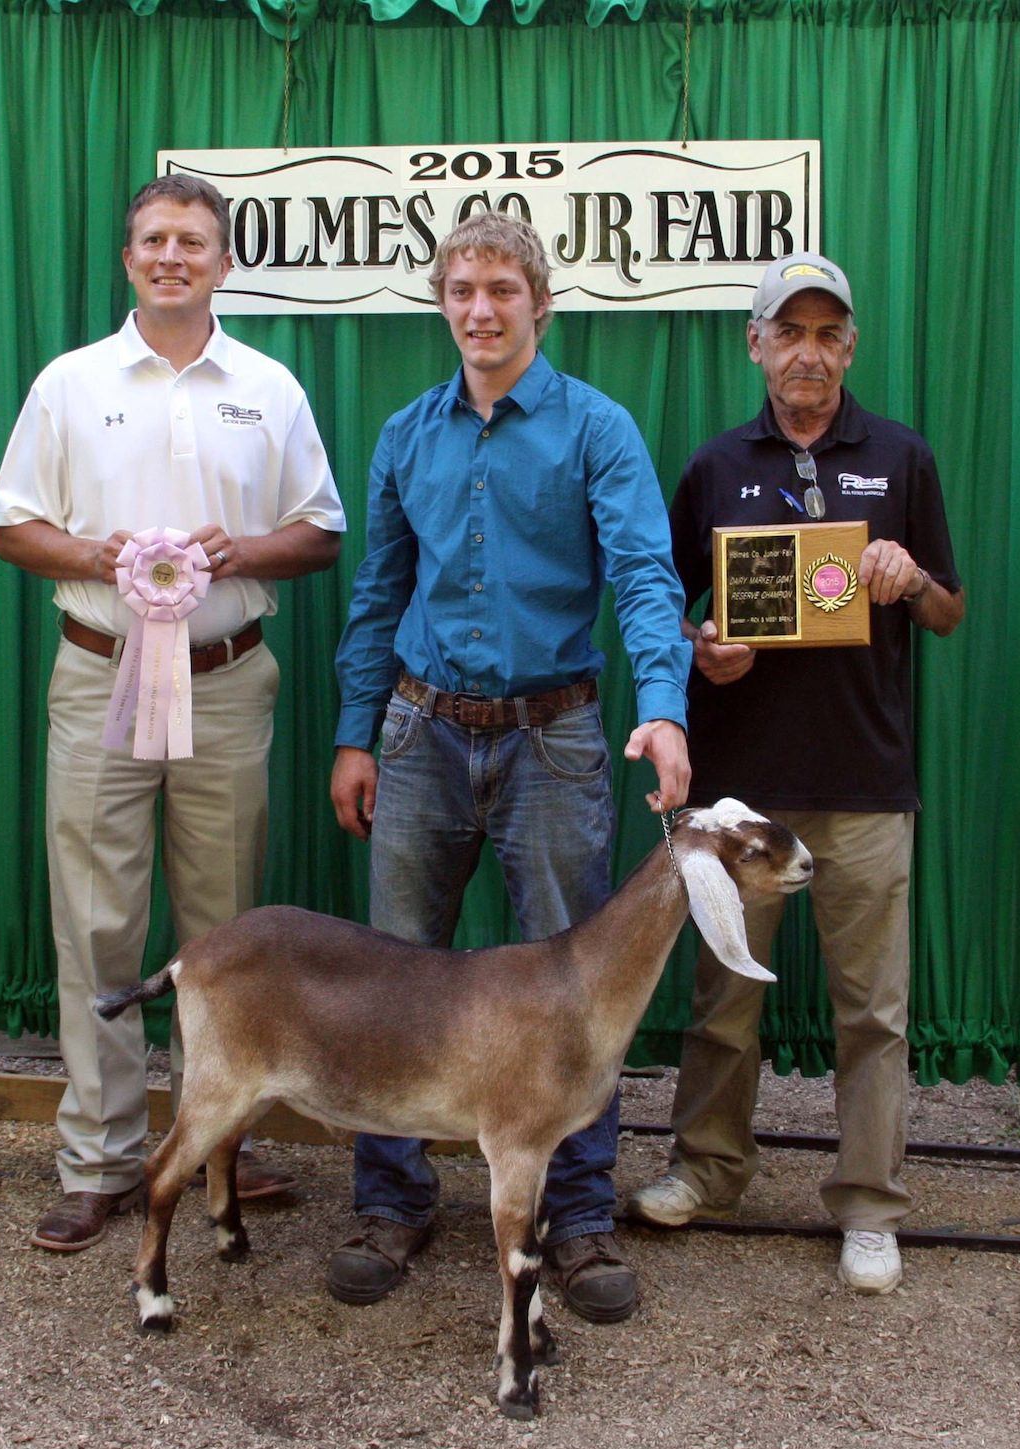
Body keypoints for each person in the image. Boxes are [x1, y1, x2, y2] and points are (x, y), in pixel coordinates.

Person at [328, 212, 691, 1323]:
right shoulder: (407, 434)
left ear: (542, 303)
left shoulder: (597, 428)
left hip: (555, 738)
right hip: (420, 732)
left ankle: (575, 1220)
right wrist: (355, 732)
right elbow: (379, 591)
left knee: (578, 988)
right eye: (461, 290)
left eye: (501, 290)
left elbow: (643, 574)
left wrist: (664, 710)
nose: (480, 310)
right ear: (443, 303)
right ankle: (391, 1203)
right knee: (394, 978)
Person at [0, 174, 346, 1253]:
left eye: (192, 240)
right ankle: (98, 1160)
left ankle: (217, 1146)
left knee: (225, 932)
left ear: (225, 263)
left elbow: (320, 530)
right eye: (154, 239)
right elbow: (12, 523)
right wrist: (95, 555)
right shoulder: (69, 383)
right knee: (97, 920)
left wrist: (244, 550)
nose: (172, 256)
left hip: (226, 679)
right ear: (130, 258)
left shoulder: (269, 388)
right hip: (100, 673)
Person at [627, 252, 965, 1294]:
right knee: (725, 999)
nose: (807, 353)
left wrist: (912, 580)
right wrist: (701, 648)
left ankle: (869, 1206)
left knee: (873, 1013)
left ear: (850, 347)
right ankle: (707, 1169)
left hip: (866, 783)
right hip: (741, 794)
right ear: (756, 344)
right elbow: (668, 609)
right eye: (789, 332)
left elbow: (951, 609)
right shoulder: (714, 467)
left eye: (826, 334)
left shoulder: (901, 457)